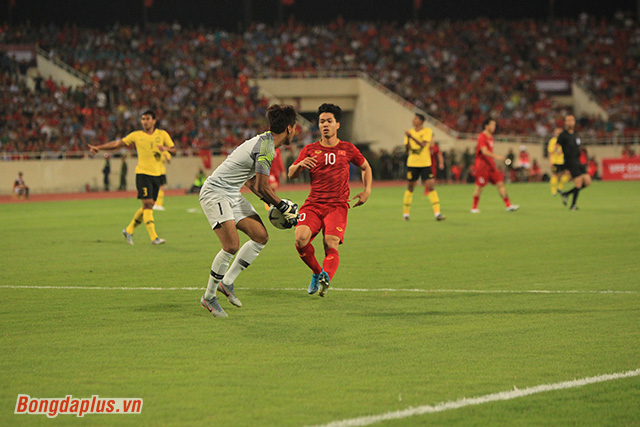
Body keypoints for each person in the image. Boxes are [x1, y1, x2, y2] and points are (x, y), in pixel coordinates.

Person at [198, 104, 299, 317]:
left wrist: (275, 204)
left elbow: (253, 184)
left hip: (232, 193)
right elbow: (262, 186)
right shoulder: (266, 148)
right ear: (289, 128)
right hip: (215, 192)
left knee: (260, 236)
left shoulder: (264, 142)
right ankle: (208, 297)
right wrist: (282, 206)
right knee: (231, 245)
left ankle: (227, 283)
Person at [288, 103, 372, 298]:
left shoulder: (348, 148)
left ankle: (326, 278)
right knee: (300, 238)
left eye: (329, 121)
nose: (325, 125)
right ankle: (318, 273)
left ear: (337, 125)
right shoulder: (310, 149)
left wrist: (367, 191)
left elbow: (366, 167)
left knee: (330, 242)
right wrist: (300, 165)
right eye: (322, 121)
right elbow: (291, 173)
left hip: (337, 206)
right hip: (313, 204)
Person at [89, 109, 176, 245]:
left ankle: (128, 230)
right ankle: (154, 237)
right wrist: (99, 147)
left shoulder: (162, 134)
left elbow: (174, 149)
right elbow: (117, 144)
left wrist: (166, 149)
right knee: (147, 204)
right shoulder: (136, 135)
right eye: (143, 119)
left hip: (157, 175)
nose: (145, 122)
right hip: (142, 174)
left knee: (150, 205)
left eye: (147, 119)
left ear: (154, 121)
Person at [402, 113, 445, 221]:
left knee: (431, 185)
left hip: (425, 163)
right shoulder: (409, 132)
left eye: (415, 118)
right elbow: (407, 150)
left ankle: (437, 213)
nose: (413, 120)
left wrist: (410, 137)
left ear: (420, 121)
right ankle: (406, 214)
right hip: (412, 163)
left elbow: (423, 145)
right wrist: (407, 141)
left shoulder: (427, 131)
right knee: (410, 187)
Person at [470, 118, 519, 213]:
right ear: (486, 126)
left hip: (491, 165)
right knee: (479, 186)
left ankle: (508, 205)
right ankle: (474, 207)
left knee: (500, 183)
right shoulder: (482, 137)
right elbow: (484, 151)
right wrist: (497, 157)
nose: (494, 127)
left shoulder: (491, 137)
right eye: (492, 125)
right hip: (482, 166)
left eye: (495, 125)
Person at [557, 115, 591, 210]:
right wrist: (562, 165)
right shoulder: (563, 135)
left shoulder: (576, 134)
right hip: (570, 162)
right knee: (578, 182)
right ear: (565, 123)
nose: (570, 122)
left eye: (572, 120)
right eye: (568, 120)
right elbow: (557, 146)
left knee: (588, 181)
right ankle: (573, 205)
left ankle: (566, 194)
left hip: (578, 161)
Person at [547, 127, 571, 196]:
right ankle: (553, 190)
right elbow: (550, 152)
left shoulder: (565, 141)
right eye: (558, 133)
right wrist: (550, 161)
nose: (559, 134)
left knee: (568, 175)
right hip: (555, 161)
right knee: (555, 175)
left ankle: (559, 188)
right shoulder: (553, 141)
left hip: (563, 161)